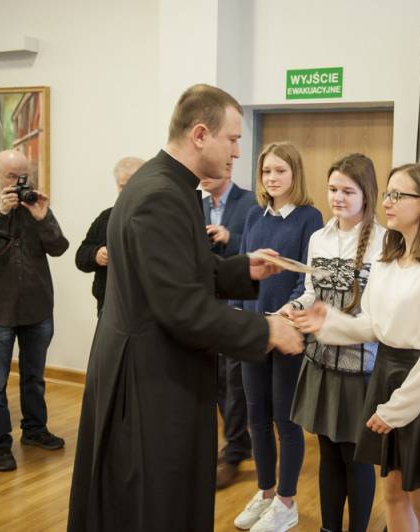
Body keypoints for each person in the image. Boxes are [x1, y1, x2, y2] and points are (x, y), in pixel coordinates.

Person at [67, 84, 303, 532]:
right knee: (156, 504)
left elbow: (181, 269)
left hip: (153, 368)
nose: (238, 151)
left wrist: (242, 270)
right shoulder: (160, 195)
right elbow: (182, 307)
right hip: (151, 379)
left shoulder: (165, 184)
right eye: (232, 139)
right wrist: (267, 331)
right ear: (200, 134)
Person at [293, 162, 420, 532]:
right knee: (393, 495)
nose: (386, 201)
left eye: (397, 195)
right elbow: (374, 326)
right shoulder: (388, 258)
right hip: (388, 376)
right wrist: (327, 322)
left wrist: (397, 409)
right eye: (387, 193)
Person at [282, 153, 385, 532]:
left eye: (348, 191)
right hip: (321, 360)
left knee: (355, 458)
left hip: (361, 366)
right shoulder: (318, 238)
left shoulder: (385, 242)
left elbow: (380, 312)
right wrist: (293, 307)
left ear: (366, 194)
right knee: (327, 453)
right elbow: (311, 292)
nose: (338, 198)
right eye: (333, 189)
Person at [234, 141, 323, 532]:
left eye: (280, 171)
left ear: (294, 174)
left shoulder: (309, 217)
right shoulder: (254, 214)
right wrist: (241, 320)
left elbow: (308, 280)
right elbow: (243, 271)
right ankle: (266, 493)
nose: (272, 178)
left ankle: (286, 503)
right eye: (266, 171)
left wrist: (282, 318)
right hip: (254, 333)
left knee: (285, 421)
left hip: (287, 333)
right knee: (256, 417)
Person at [0, 149, 69, 472]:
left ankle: (35, 430)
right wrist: (1, 213)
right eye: (12, 176)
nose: (20, 182)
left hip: (38, 307)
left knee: (34, 378)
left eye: (25, 176)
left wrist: (44, 218)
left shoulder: (36, 207)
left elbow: (59, 247)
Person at [201, 170, 259, 489]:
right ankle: (239, 442)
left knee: (234, 382)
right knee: (217, 382)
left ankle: (235, 451)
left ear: (226, 168)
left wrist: (228, 238)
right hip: (206, 306)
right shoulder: (196, 204)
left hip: (237, 303)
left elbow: (254, 249)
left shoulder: (249, 203)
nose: (204, 177)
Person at [75, 156, 144, 315]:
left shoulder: (158, 216)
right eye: (122, 186)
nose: (126, 191)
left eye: (131, 185)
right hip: (108, 306)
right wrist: (96, 254)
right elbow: (81, 257)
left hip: (144, 308)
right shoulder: (106, 217)